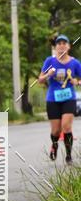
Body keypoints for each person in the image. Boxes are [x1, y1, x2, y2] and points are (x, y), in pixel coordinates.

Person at [38, 34, 80, 165]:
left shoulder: (75, 63)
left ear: (68, 46)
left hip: (69, 98)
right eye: (59, 44)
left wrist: (77, 82)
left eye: (64, 43)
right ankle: (54, 145)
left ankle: (68, 155)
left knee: (66, 127)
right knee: (56, 131)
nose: (61, 46)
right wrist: (48, 75)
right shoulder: (49, 61)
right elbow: (40, 80)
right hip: (53, 99)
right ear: (55, 47)